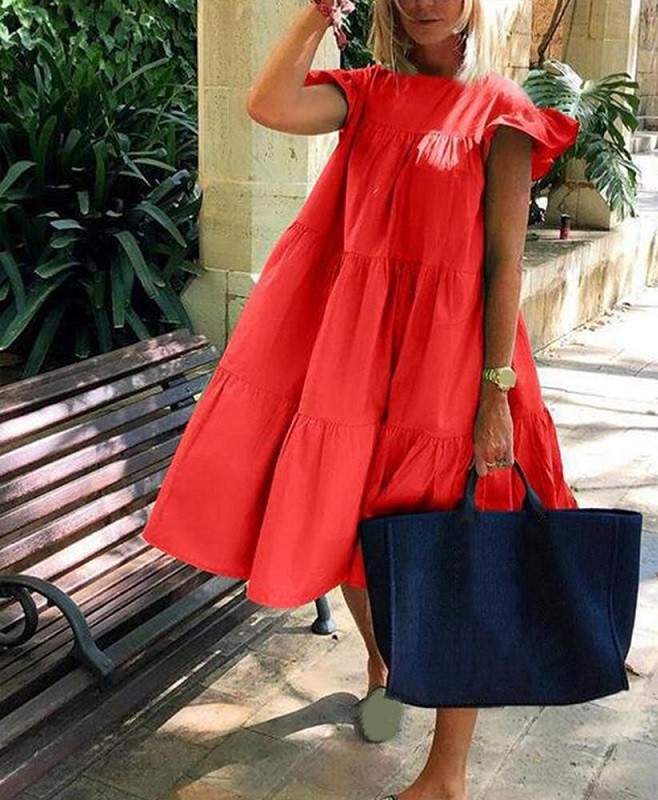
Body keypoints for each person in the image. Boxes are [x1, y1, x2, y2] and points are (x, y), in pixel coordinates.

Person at [142, 1, 580, 798]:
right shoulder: (370, 92)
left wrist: (496, 394)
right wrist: (317, 14)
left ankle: (446, 775)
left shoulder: (502, 111)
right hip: (356, 357)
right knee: (355, 531)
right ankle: (383, 663)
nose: (421, 2)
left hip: (451, 367)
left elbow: (504, 265)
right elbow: (270, 104)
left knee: (455, 554)